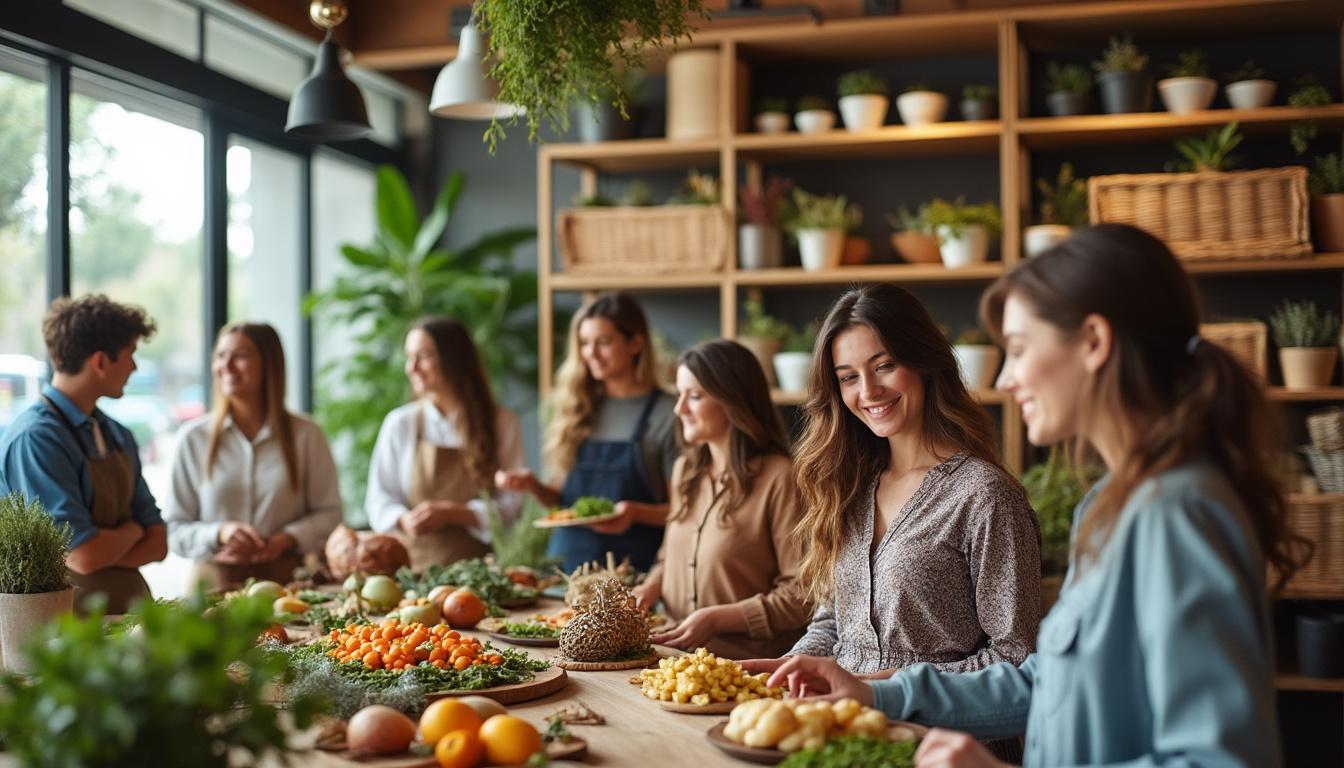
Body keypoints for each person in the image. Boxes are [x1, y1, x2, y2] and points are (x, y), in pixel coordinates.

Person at [764, 225, 1301, 768]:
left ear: (1093, 342)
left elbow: (1222, 759)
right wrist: (881, 695)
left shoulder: (1178, 514)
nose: (1008, 378)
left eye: (1019, 350)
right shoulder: (1110, 506)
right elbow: (1048, 681)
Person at [742, 284, 1041, 761]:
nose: (868, 391)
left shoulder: (985, 496)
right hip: (847, 741)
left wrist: (875, 685)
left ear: (923, 361)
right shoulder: (849, 486)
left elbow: (1015, 660)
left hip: (947, 750)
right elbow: (834, 624)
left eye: (884, 366)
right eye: (848, 377)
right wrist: (790, 670)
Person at [631, 340, 813, 659]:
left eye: (695, 396)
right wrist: (651, 587)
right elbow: (668, 558)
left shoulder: (780, 478)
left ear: (734, 402)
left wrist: (718, 619)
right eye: (680, 394)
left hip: (745, 671)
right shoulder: (684, 472)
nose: (679, 408)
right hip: (670, 661)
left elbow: (802, 596)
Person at [0, 295, 167, 613]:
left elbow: (158, 542)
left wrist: (108, 545)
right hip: (68, 631)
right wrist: (133, 530)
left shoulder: (117, 433)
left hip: (132, 621)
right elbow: (83, 554)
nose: (134, 366)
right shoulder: (36, 439)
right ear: (100, 362)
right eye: (131, 354)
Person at [497, 292, 679, 573]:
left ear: (635, 343)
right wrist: (532, 485)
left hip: (633, 574)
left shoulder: (668, 413)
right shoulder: (577, 407)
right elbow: (562, 501)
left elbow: (682, 510)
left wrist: (634, 513)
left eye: (604, 342)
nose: (590, 353)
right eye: (584, 343)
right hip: (567, 570)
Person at [164, 323, 342, 589]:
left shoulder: (306, 435)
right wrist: (219, 533)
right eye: (221, 355)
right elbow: (174, 529)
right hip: (212, 584)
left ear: (269, 364)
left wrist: (286, 538)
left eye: (240, 355)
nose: (227, 365)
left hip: (287, 585)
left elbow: (330, 514)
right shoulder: (194, 438)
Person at [366, 316, 525, 568]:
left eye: (424, 356)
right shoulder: (400, 423)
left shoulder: (501, 423)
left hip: (481, 575)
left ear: (455, 360)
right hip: (412, 575)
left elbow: (512, 505)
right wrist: (404, 520)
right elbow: (379, 499)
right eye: (409, 357)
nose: (411, 368)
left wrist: (455, 513)